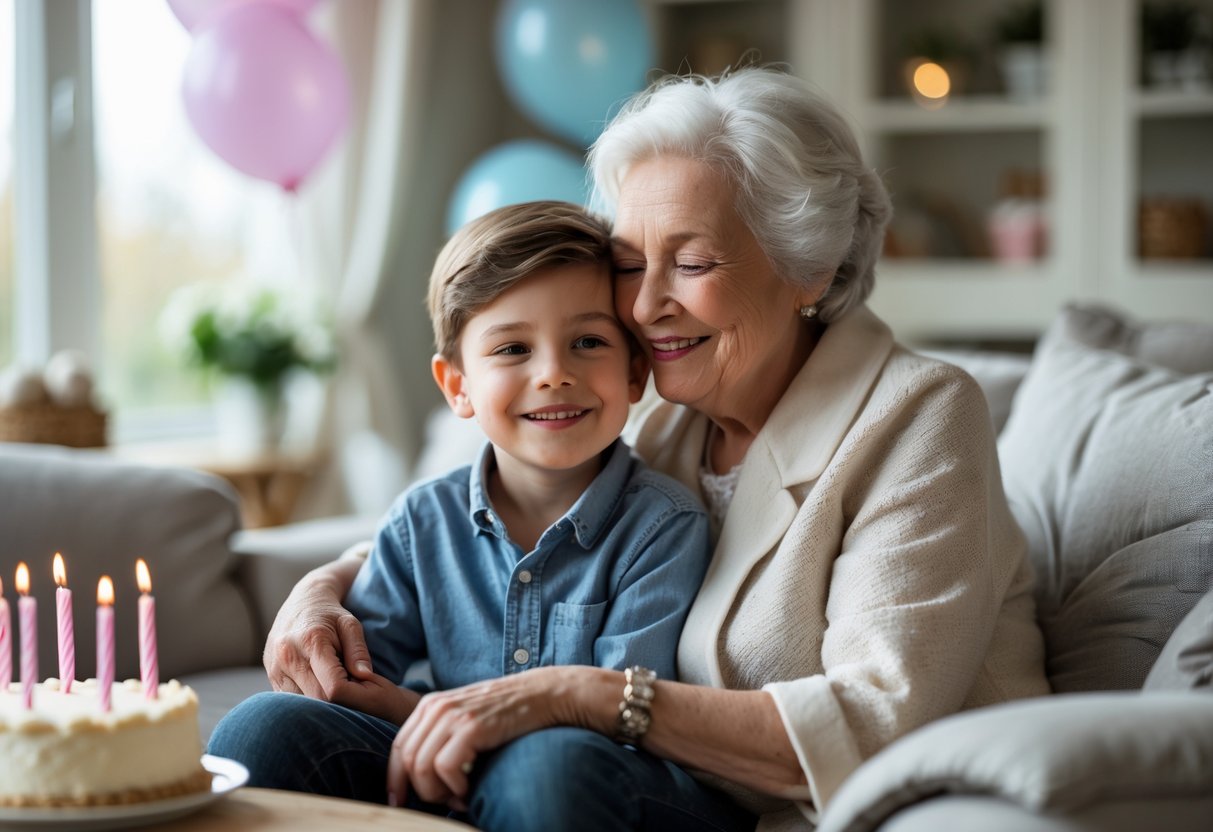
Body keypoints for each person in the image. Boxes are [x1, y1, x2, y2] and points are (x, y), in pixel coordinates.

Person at [233, 67, 1051, 831]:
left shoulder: (917, 414)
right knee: (269, 733)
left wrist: (571, 695)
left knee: (544, 770)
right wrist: (321, 590)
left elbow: (873, 719)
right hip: (594, 776)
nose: (647, 305)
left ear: (810, 266)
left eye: (691, 263)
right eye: (628, 264)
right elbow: (490, 528)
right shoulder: (670, 415)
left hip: (814, 806)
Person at [208, 201, 723, 817]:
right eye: (512, 349)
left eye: (587, 341)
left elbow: (620, 715)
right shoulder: (422, 521)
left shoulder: (663, 527)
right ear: (458, 386)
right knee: (261, 728)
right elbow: (356, 683)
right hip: (438, 763)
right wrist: (409, 714)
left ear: (635, 372)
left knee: (543, 771)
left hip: (586, 779)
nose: (554, 373)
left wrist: (435, 718)